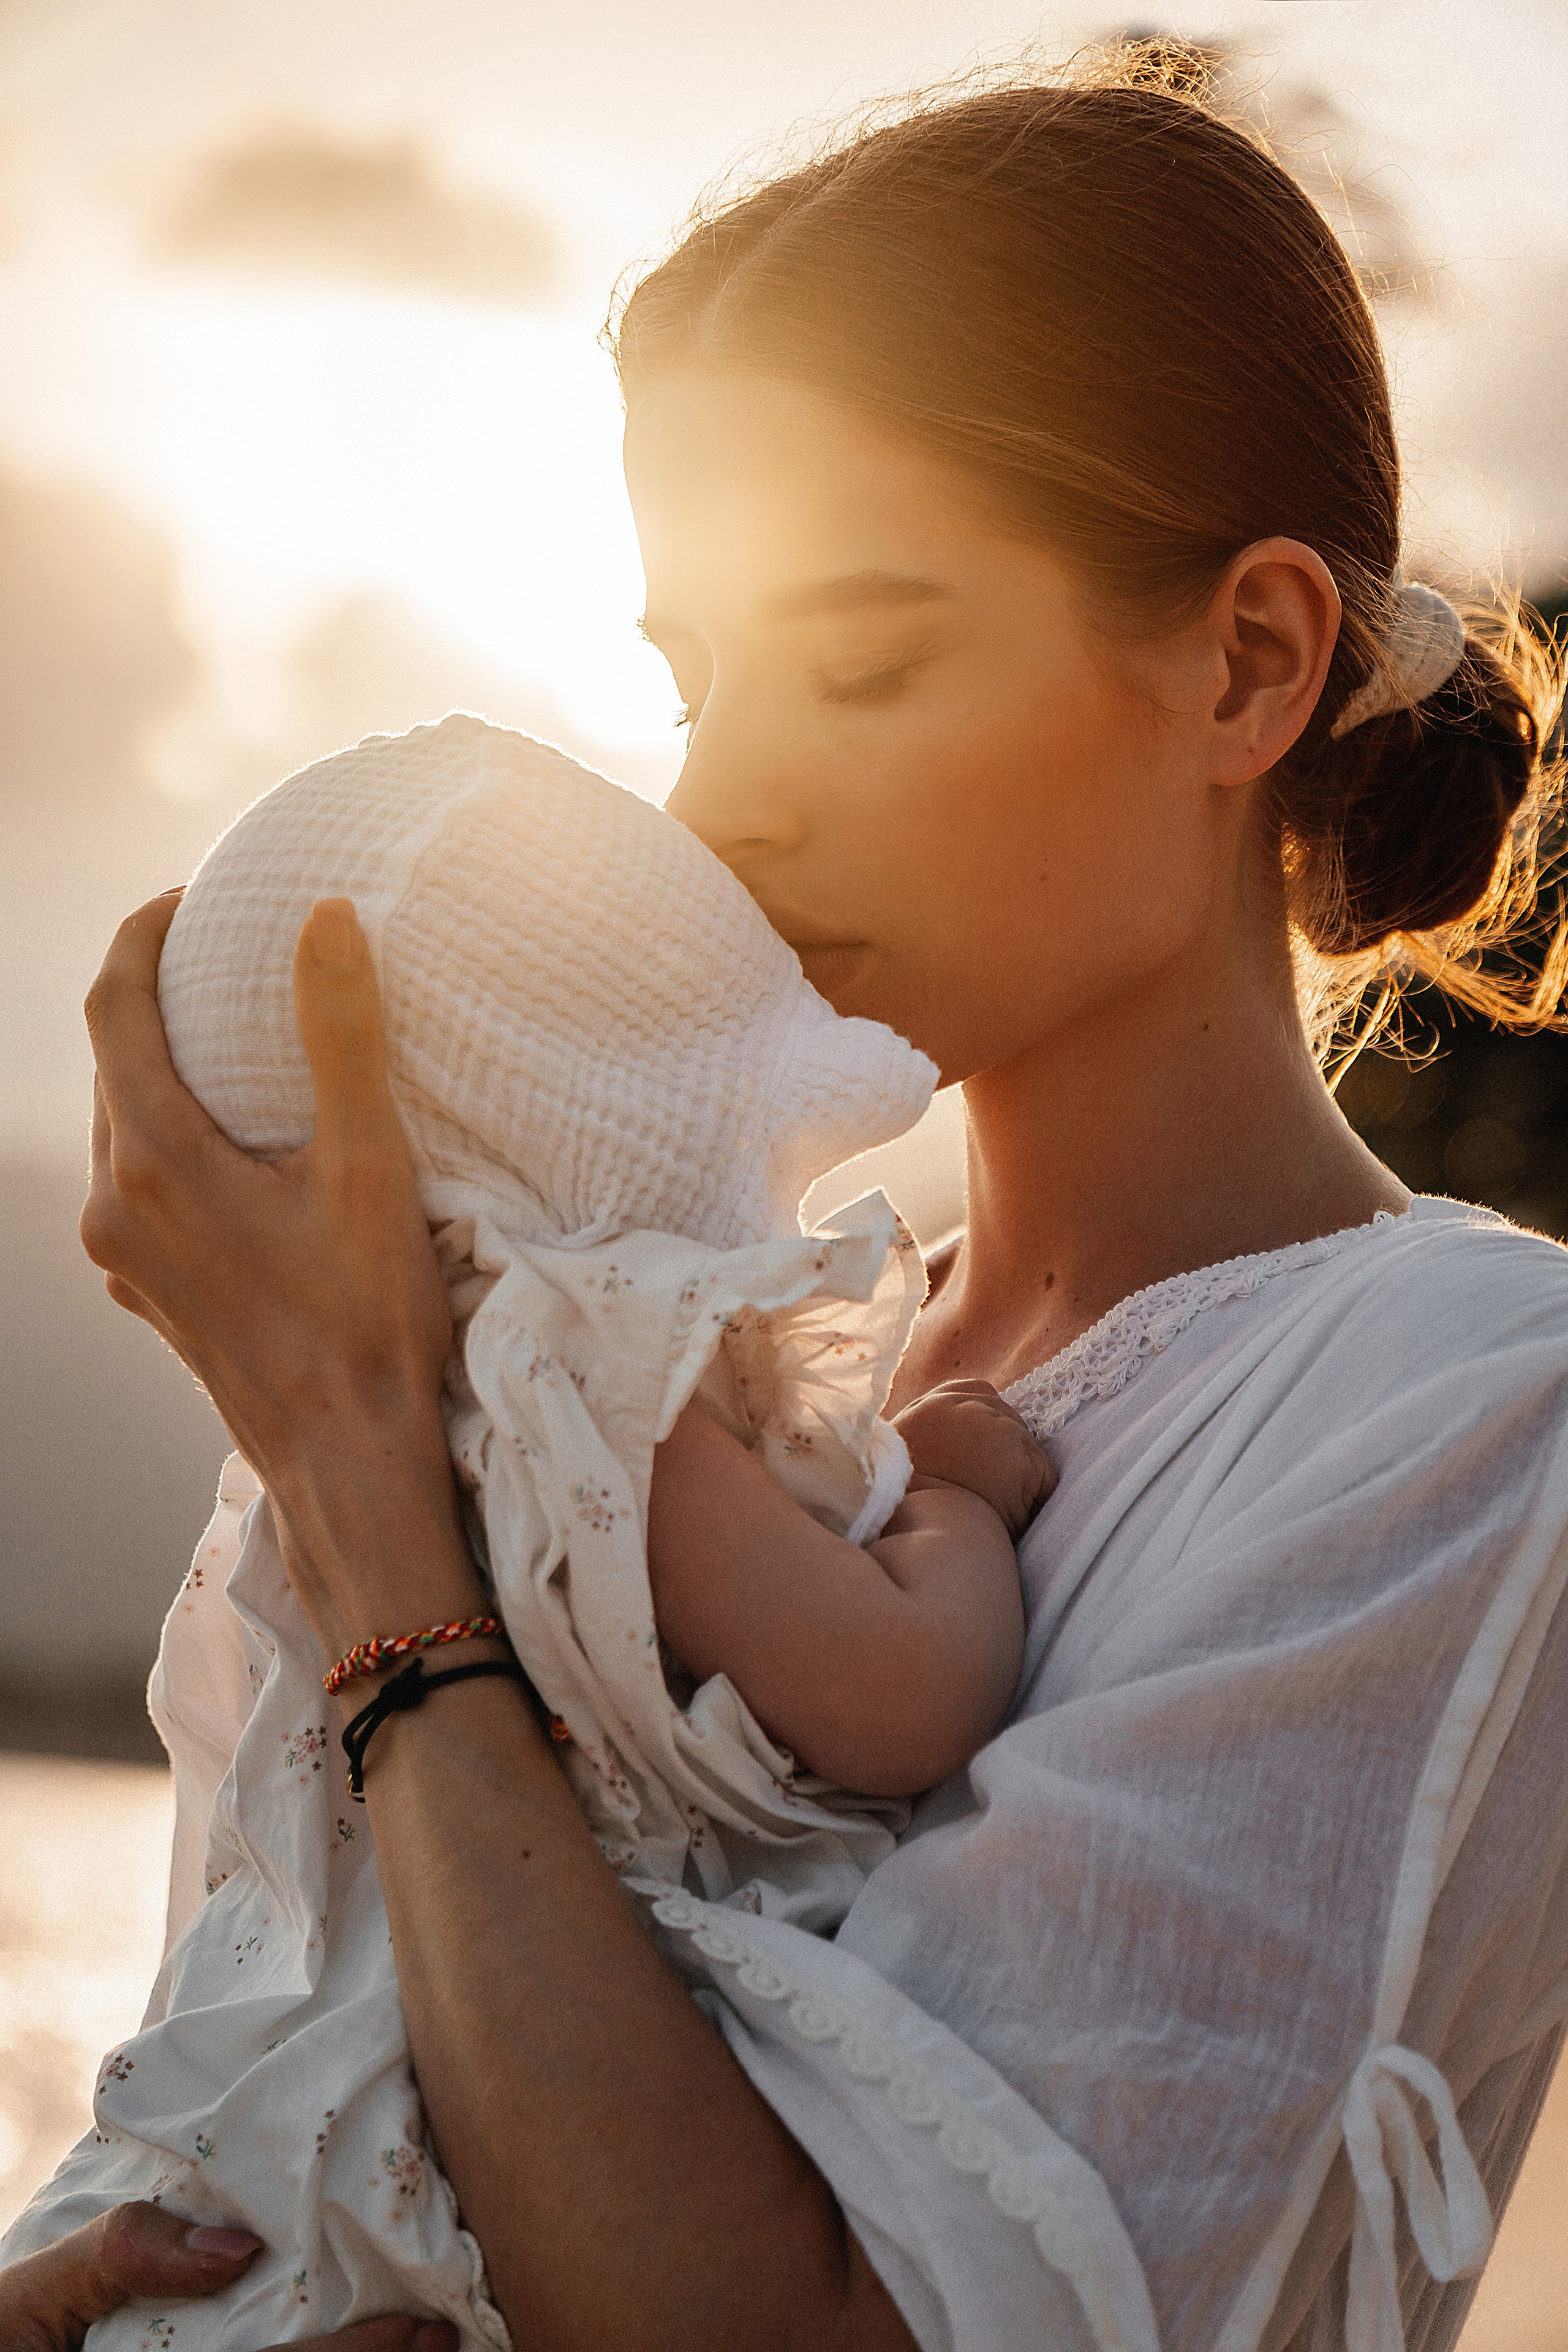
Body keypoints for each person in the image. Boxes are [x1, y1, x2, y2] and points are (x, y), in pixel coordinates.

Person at [7, 47, 1567, 2352]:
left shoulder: (1458, 1412)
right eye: (693, 673)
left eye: (864, 659)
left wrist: (366, 1498)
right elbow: (265, 2062)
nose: (719, 791)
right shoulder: (737, 1363)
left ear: (1248, 661)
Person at [1, 714, 1052, 2348]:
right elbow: (898, 1692)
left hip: (273, 2174)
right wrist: (961, 1507)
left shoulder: (345, 1448)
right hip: (479, 2191)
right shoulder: (577, 1403)